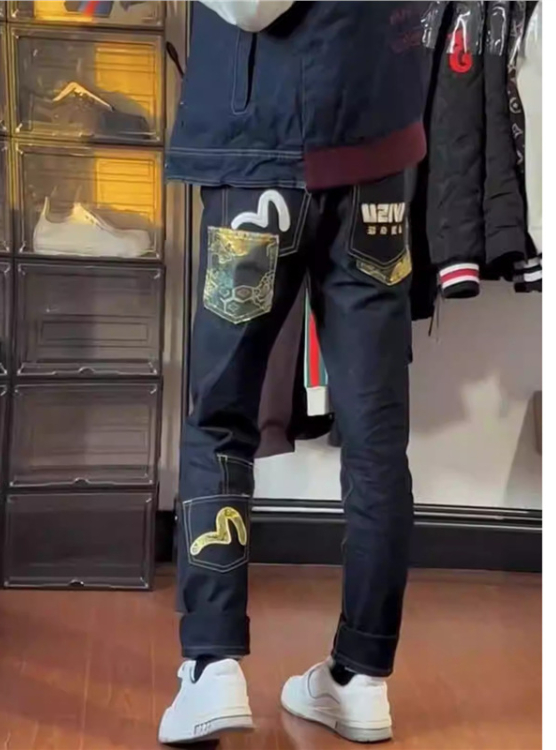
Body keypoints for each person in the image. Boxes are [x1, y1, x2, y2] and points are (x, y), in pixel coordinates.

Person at [159, 1, 432, 744]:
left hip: (261, 154)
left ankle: (211, 664)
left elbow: (253, 7)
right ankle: (361, 678)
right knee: (376, 436)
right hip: (376, 156)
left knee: (221, 416)